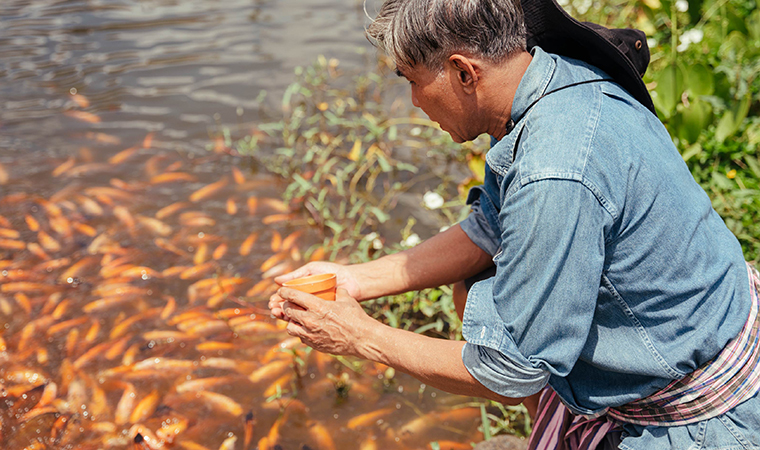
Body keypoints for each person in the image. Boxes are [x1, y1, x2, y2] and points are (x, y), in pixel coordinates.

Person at [268, 0, 760, 448]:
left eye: (412, 80)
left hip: (698, 419)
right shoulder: (553, 78)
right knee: (476, 281)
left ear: (463, 72)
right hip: (695, 332)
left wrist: (360, 336)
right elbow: (488, 229)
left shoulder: (555, 166)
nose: (414, 102)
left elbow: (509, 370)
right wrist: (354, 279)